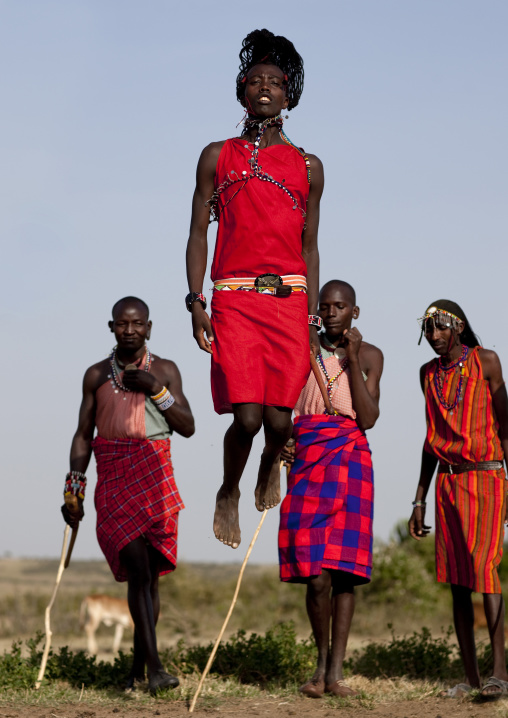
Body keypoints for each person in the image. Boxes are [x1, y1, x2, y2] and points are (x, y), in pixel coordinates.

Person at [186, 28, 324, 550]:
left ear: (290, 95)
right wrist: (196, 300)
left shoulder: (309, 167)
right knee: (246, 416)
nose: (264, 88)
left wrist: (311, 316)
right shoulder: (217, 156)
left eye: (275, 82)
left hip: (289, 299)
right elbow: (199, 233)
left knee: (279, 420)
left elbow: (310, 247)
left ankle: (271, 462)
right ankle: (228, 490)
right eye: (255, 81)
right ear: (242, 91)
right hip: (236, 300)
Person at [61, 297, 195, 695]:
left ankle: (137, 671)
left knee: (150, 580)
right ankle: (155, 668)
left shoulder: (165, 371)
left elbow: (187, 426)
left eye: (137, 324)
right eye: (122, 324)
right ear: (112, 327)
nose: (130, 330)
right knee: (137, 570)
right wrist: (74, 491)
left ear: (149, 328)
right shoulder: (97, 375)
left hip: (156, 474)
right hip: (115, 476)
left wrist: (157, 390)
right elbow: (84, 435)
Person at [278, 280, 383, 698]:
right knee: (314, 573)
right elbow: (283, 403)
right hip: (307, 457)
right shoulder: (301, 348)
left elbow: (369, 416)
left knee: (344, 573)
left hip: (351, 459)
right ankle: (319, 663)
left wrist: (353, 358)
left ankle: (335, 673)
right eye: (325, 306)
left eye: (340, 306)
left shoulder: (370, 355)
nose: (331, 312)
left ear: (355, 312)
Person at [409, 300, 508, 699]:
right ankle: (470, 679)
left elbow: (507, 424)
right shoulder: (427, 374)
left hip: (486, 476)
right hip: (447, 485)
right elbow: (431, 441)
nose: (434, 336)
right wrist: (419, 499)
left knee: (485, 570)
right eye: (429, 329)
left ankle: (499, 674)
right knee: (456, 581)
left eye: (442, 328)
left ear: (459, 327)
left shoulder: (486, 362)